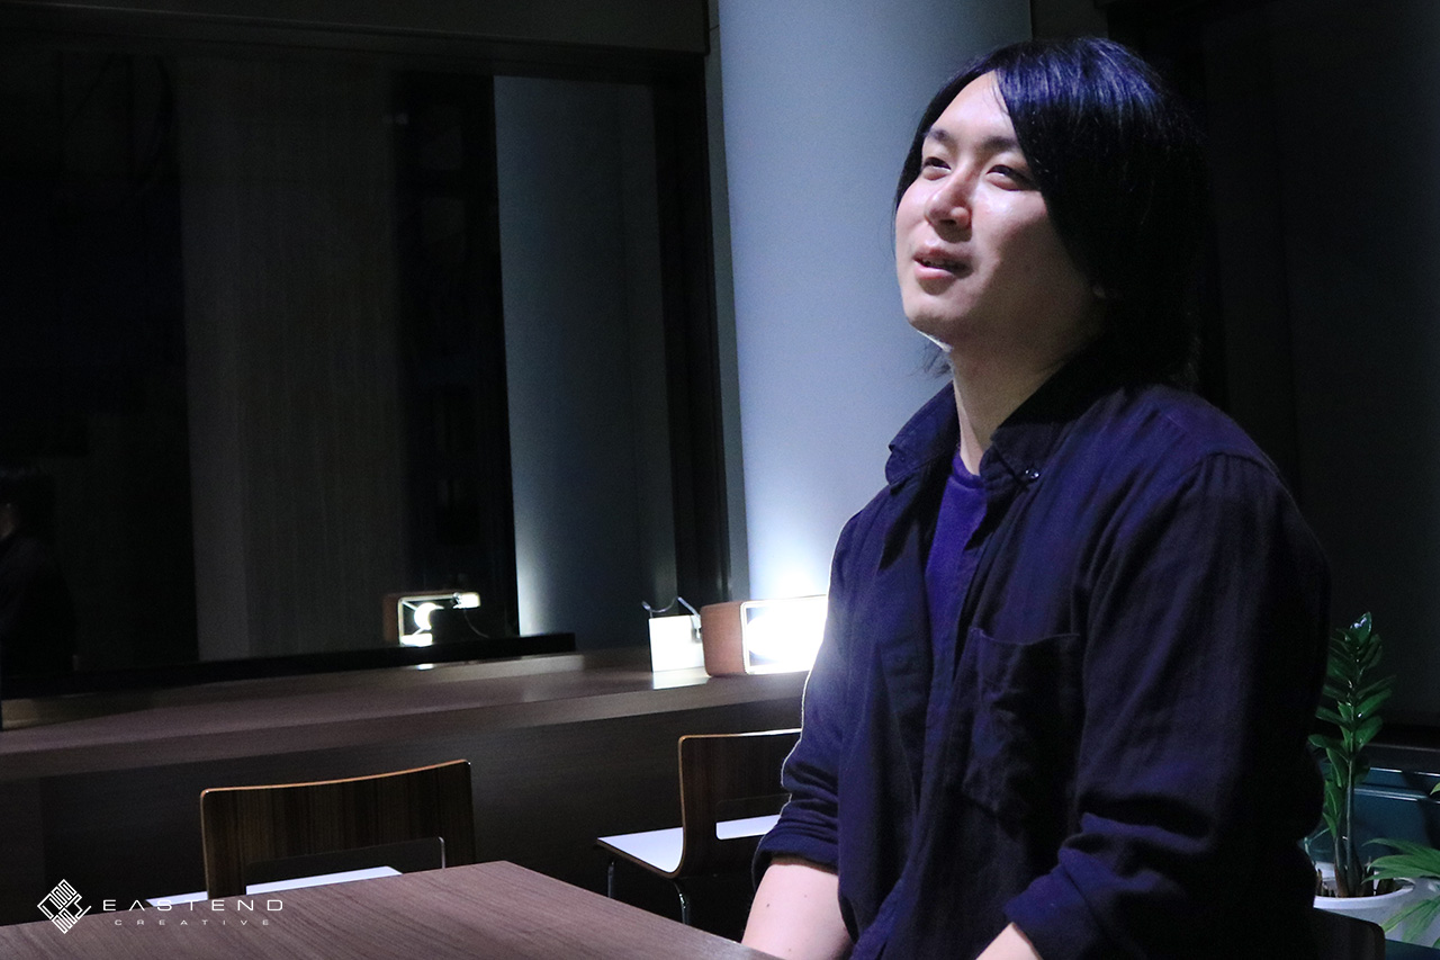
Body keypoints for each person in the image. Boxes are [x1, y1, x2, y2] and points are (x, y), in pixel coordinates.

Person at [742, 37, 1328, 960]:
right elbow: (825, 814)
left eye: (1006, 174)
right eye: (933, 163)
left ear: (1112, 249)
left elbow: (1143, 870)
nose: (943, 201)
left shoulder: (1192, 493)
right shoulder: (884, 528)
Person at [0, 463, 76, 679]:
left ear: (9, 509)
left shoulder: (26, 563)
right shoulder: (21, 557)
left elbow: (8, 650)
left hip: (26, 692)